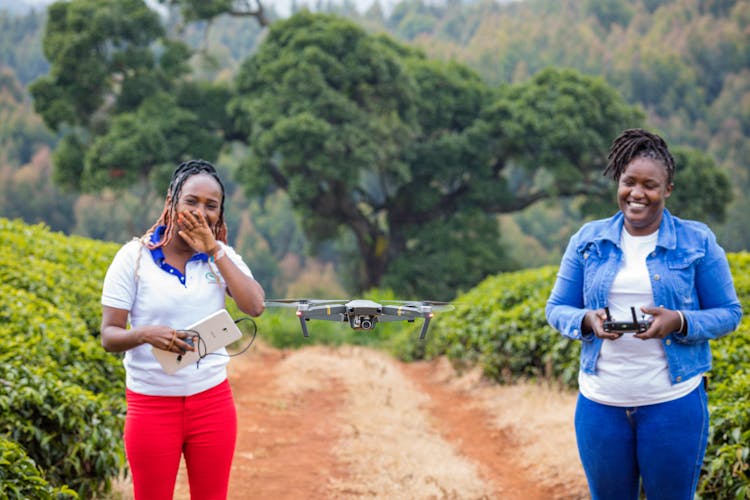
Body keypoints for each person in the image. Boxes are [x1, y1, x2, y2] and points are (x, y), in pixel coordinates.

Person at [545, 128, 742, 500]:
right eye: (628, 182)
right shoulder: (588, 240)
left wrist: (680, 322)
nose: (637, 194)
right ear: (617, 182)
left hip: (673, 403)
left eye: (650, 185)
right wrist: (587, 321)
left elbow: (729, 313)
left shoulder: (697, 241)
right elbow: (556, 308)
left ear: (668, 189)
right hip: (601, 404)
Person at [100, 159, 265, 499]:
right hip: (151, 406)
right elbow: (109, 335)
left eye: (211, 206)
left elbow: (254, 306)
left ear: (220, 215)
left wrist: (215, 250)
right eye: (191, 201)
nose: (200, 212)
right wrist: (145, 334)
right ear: (172, 201)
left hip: (212, 403)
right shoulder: (133, 259)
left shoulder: (222, 258)